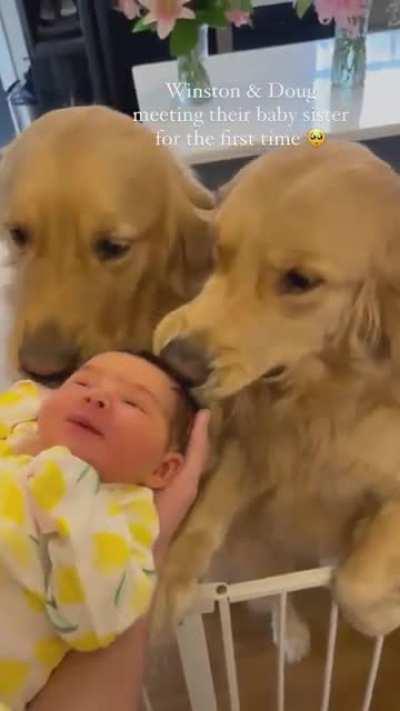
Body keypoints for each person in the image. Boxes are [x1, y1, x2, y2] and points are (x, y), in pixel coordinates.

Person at [0, 351, 210, 711]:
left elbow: (95, 622)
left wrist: (63, 482)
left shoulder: (122, 517)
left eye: (133, 403)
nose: (96, 397)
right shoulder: (17, 437)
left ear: (162, 470)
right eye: (83, 382)